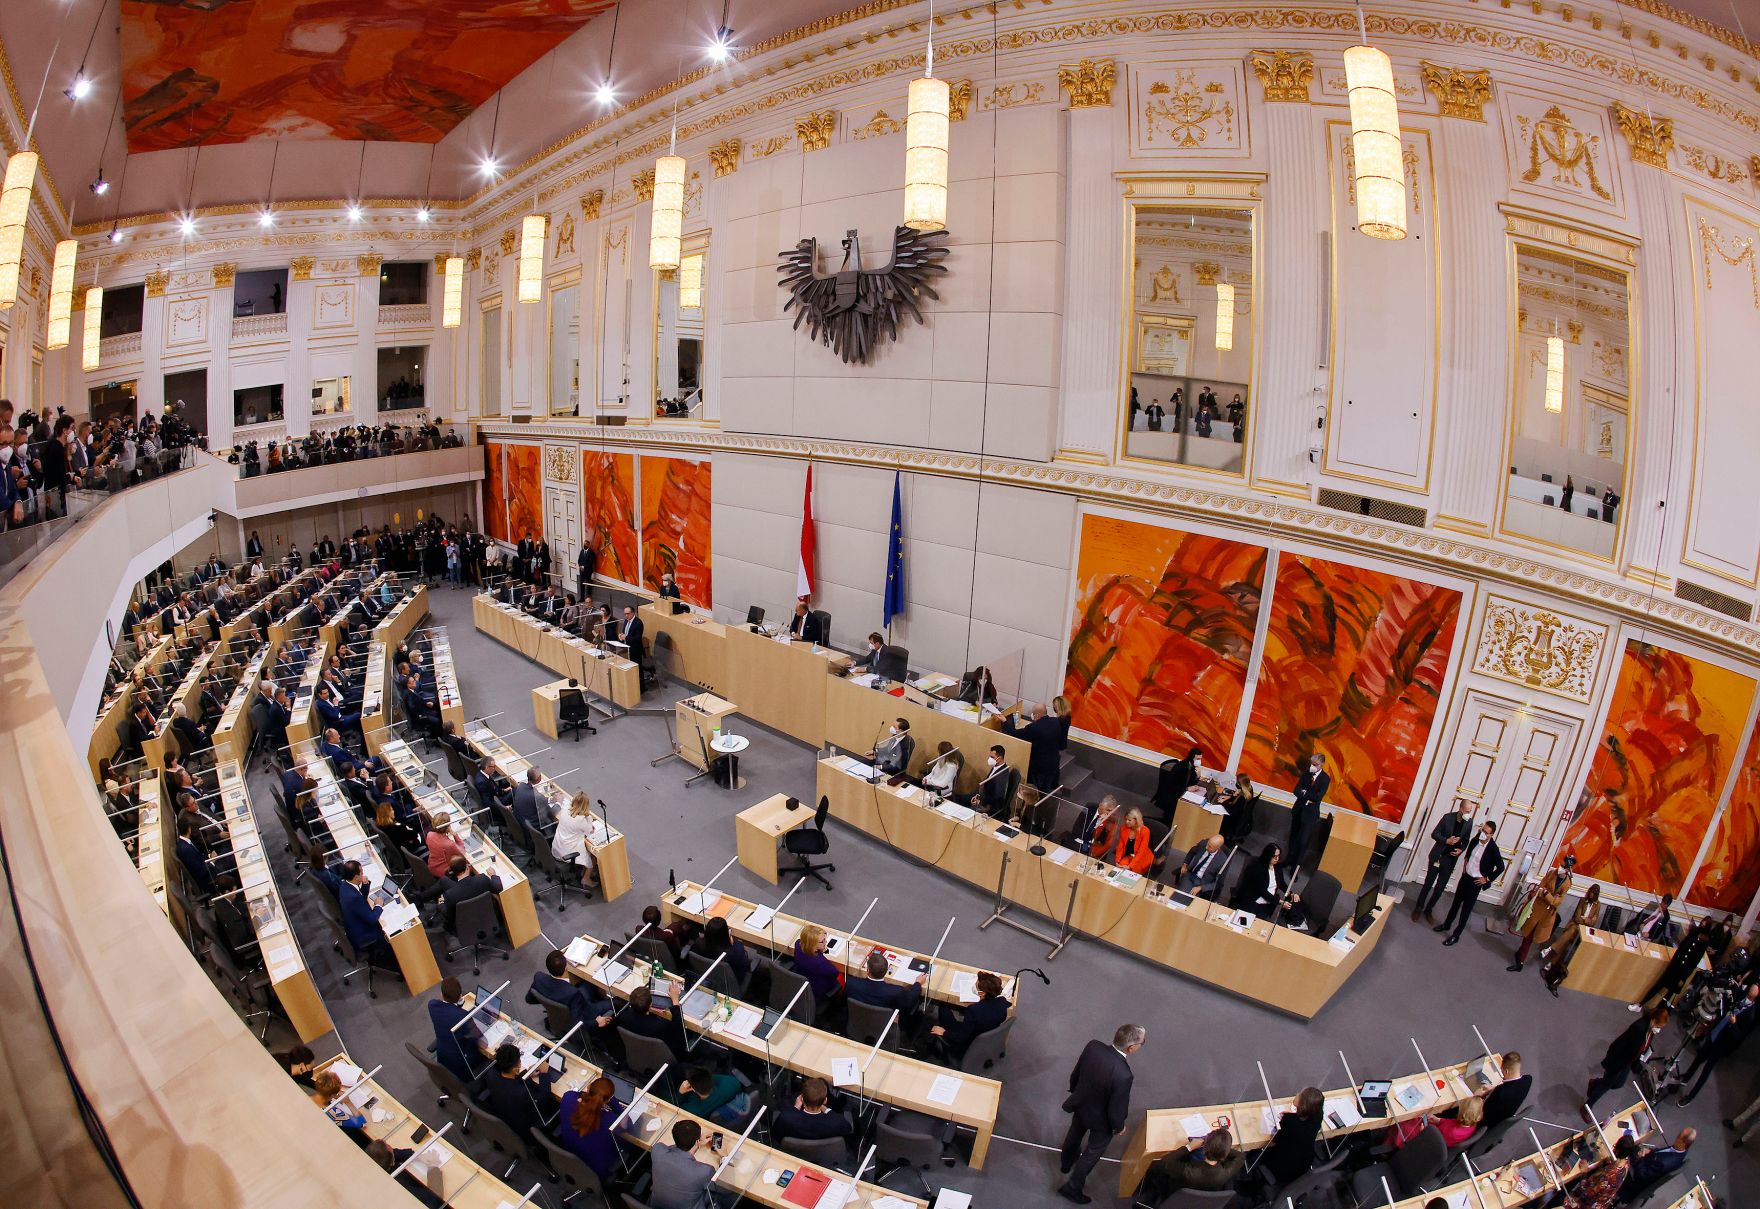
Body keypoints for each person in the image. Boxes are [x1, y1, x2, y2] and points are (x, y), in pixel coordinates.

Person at [1058, 1023, 1144, 1204]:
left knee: (1074, 1135)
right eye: (1142, 1043)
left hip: (1081, 1104)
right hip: (1101, 1121)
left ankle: (1066, 1163)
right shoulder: (1123, 1074)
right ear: (1131, 1047)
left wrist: (1076, 1094)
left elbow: (1076, 1073)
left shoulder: (1093, 1046)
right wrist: (1119, 1126)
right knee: (1092, 1153)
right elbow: (1117, 1107)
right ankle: (1072, 1188)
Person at [1675, 982, 1758, 1106]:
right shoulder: (1741, 997)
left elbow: (1739, 1036)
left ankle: (1690, 1097)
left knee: (1705, 1071)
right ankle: (1685, 1078)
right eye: (1751, 987)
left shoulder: (1750, 1015)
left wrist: (1734, 1024)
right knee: (1698, 1059)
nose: (1751, 989)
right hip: (1715, 1033)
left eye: (1754, 989)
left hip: (1722, 1044)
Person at [1584, 1007, 1668, 1111]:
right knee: (1606, 1085)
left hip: (1628, 1062)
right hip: (1618, 1061)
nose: (1658, 1029)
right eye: (1658, 1026)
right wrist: (1611, 1063)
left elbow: (1642, 1046)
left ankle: (1595, 1083)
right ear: (1654, 1020)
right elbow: (1618, 1045)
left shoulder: (1650, 1031)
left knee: (1618, 1084)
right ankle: (1587, 1107)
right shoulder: (1639, 1028)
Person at [1438, 820, 1505, 946]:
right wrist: (1465, 864)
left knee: (1465, 910)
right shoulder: (1475, 839)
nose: (1483, 833)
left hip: (1475, 882)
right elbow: (1468, 853)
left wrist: (1487, 879)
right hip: (1465, 877)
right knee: (1455, 904)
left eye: (1486, 832)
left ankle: (1456, 935)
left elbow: (1501, 867)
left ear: (1491, 835)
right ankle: (1446, 925)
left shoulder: (1493, 848)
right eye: (1482, 830)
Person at [480, 1041, 559, 1141]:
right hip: (527, 1127)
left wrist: (527, 1074)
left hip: (508, 1115)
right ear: (514, 1068)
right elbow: (543, 1097)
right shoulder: (521, 1093)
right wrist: (544, 1074)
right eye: (519, 1061)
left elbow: (511, 1080)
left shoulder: (491, 1074)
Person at [1140, 1127, 1243, 1202]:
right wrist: (1221, 1147)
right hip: (1202, 1200)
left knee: (1154, 1168)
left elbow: (1164, 1163)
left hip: (1175, 1196)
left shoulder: (1189, 1171)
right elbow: (1241, 1157)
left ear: (1205, 1147)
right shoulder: (1225, 1172)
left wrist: (1189, 1147)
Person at [1413, 799, 1474, 923]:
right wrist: (1447, 841)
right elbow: (1434, 834)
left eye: (1470, 812)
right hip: (1438, 856)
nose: (1469, 814)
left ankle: (1428, 910)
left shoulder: (1469, 822)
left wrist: (1461, 850)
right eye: (1467, 811)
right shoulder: (1447, 818)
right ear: (1461, 809)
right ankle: (1418, 908)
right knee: (1428, 884)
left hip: (1450, 860)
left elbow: (1466, 840)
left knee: (1440, 888)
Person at [930, 970, 1009, 1064]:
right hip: (985, 1036)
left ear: (982, 993)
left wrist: (944, 1032)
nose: (974, 986)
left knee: (943, 1006)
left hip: (968, 1043)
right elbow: (1000, 1016)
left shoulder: (973, 1010)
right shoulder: (1003, 1002)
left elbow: (962, 1037)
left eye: (976, 986)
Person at [557, 1076, 624, 1182]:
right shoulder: (611, 1121)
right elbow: (627, 1124)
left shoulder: (568, 1097)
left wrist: (592, 1095)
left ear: (588, 1088)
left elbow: (578, 1096)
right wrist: (612, 1101)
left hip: (569, 1154)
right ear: (606, 1100)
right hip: (595, 1169)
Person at [1258, 1086, 1325, 1189]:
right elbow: (1303, 1123)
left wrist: (1286, 1120)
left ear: (1303, 1104)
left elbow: (1277, 1139)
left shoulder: (1290, 1122)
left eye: (1300, 1095)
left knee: (1257, 1155)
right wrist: (1293, 1116)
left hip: (1283, 1167)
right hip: (1303, 1165)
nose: (1297, 1094)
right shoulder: (1318, 1115)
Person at [1542, 883, 1602, 996]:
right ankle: (1551, 963)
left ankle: (1550, 949)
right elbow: (1577, 917)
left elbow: (1594, 920)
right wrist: (1586, 919)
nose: (1590, 895)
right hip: (1575, 925)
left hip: (1585, 929)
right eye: (1590, 892)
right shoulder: (1582, 900)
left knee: (1568, 939)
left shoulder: (1598, 905)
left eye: (1593, 894)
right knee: (1568, 936)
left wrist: (1586, 920)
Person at [1003, 698, 1073, 794]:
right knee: (1046, 788)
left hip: (1039, 766)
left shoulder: (1034, 728)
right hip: (1053, 762)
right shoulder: (1056, 722)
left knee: (1037, 790)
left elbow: (1015, 734)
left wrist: (1004, 721)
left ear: (1037, 714)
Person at [650, 1119, 721, 1209]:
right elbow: (716, 1189)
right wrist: (725, 1157)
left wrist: (688, 1142)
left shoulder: (657, 1151)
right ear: (697, 1142)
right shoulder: (705, 1171)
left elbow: (667, 1147)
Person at [1510, 866, 1570, 972]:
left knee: (1530, 937)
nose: (1560, 866)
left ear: (1567, 869)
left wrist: (1547, 895)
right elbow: (1541, 889)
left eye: (1564, 865)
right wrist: (1550, 896)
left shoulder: (1567, 883)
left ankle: (1520, 962)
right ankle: (1520, 957)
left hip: (1546, 916)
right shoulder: (1551, 873)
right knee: (1527, 935)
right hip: (1537, 909)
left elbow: (1557, 902)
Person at [1561, 1135, 1637, 1209]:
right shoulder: (1626, 1163)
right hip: (1598, 1196)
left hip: (1585, 1203)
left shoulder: (1607, 1178)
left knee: (1562, 1193)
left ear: (1617, 1151)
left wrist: (1584, 1172)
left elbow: (1585, 1192)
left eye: (1615, 1146)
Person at [773, 1077, 854, 1145]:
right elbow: (848, 1129)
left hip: (793, 1153)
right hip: (826, 1157)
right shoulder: (837, 1122)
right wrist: (825, 1108)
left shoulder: (786, 1118)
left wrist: (796, 1107)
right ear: (825, 1101)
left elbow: (776, 1132)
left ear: (801, 1099)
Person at [428, 977, 481, 1081]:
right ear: (460, 995)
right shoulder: (463, 1018)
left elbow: (449, 1016)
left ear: (441, 994)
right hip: (463, 1065)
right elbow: (480, 1038)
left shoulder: (432, 1005)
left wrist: (457, 1006)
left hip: (443, 1058)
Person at [1384, 1096, 1481, 1150]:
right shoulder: (1471, 1123)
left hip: (1429, 1141)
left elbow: (1435, 1143)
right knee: (1417, 1118)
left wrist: (1423, 1132)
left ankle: (1388, 1146)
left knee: (1405, 1126)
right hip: (1434, 1131)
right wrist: (1438, 1120)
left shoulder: (1453, 1132)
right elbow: (1451, 1123)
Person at [846, 949, 924, 1016]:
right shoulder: (896, 992)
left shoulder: (851, 983)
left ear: (868, 971)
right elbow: (911, 999)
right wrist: (918, 983)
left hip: (857, 1023)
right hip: (883, 1027)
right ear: (886, 971)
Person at [434, 856, 504, 931]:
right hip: (487, 917)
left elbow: (449, 915)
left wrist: (441, 903)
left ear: (453, 872)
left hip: (467, 927)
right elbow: (498, 888)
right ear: (467, 867)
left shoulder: (450, 894)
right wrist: (493, 875)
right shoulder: (482, 879)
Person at [552, 791, 602, 888]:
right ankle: (586, 878)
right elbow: (589, 830)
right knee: (591, 858)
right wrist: (589, 817)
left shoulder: (565, 810)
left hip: (557, 847)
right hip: (567, 852)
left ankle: (583, 872)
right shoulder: (581, 820)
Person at [1288, 753, 1329, 862]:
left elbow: (1318, 797)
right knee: (1293, 836)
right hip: (1299, 809)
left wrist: (1305, 793)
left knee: (1303, 842)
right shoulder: (1306, 773)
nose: (1313, 766)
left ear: (1322, 764)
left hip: (1310, 814)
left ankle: (1295, 867)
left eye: (1316, 764)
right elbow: (1296, 790)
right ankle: (1288, 860)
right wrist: (1306, 794)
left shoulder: (1325, 779)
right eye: (1312, 763)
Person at [1231, 842, 1290, 918]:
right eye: (1274, 856)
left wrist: (1291, 893)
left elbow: (1281, 883)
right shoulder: (1257, 868)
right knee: (1245, 923)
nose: (1277, 859)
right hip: (1253, 902)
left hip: (1268, 903)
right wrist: (1280, 902)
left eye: (1278, 856)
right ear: (1267, 856)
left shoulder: (1277, 867)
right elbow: (1262, 891)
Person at [793, 923, 845, 1007]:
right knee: (843, 976)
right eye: (822, 941)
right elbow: (834, 973)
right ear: (813, 945)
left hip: (804, 978)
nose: (826, 942)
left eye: (825, 939)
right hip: (818, 988)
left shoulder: (798, 944)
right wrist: (821, 953)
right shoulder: (820, 963)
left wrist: (819, 950)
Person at [1478, 1052, 1532, 1132]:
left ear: (1506, 1071)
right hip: (1502, 1118)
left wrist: (1478, 1098)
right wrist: (1494, 1088)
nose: (1502, 1073)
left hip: (1485, 1124)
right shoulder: (1528, 1080)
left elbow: (1482, 1112)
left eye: (1502, 1070)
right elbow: (1509, 1087)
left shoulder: (1500, 1094)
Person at [679, 1064, 749, 1125]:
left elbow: (675, 1108)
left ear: (692, 1088)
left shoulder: (692, 1110)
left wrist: (680, 1092)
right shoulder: (733, 1083)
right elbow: (714, 1078)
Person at [694, 916, 752, 988]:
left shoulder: (698, 943)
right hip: (731, 985)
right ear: (726, 934)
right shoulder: (734, 952)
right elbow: (745, 966)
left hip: (707, 979)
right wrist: (734, 943)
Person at [1094, 806, 1154, 876]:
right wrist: (1117, 862)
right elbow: (1120, 847)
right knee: (1120, 867)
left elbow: (1141, 852)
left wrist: (1130, 866)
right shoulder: (1124, 828)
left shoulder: (1145, 831)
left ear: (1136, 820)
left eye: (1129, 820)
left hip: (1142, 859)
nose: (1126, 822)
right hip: (1129, 856)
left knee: (1129, 874)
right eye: (1125, 819)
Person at [1627, 1127, 1696, 1186]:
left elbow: (1642, 1176)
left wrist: (1640, 1158)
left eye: (1679, 1136)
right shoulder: (1681, 1149)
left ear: (1683, 1143)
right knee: (1634, 1145)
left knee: (1627, 1145)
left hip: (1637, 1175)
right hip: (1649, 1162)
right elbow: (1662, 1153)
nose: (1676, 1137)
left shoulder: (1664, 1163)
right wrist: (1650, 1151)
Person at [1151, 747, 1203, 824]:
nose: (1199, 761)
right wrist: (1186, 789)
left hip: (1180, 792)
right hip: (1171, 794)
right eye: (1198, 759)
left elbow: (1191, 782)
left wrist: (1198, 776)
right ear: (1192, 757)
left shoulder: (1192, 767)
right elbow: (1170, 785)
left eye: (1200, 759)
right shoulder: (1180, 767)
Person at [971, 745, 1018, 819]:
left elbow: (997, 797)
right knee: (961, 798)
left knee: (966, 807)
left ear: (999, 758)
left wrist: (981, 801)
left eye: (992, 757)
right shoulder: (996, 767)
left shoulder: (1002, 776)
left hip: (990, 807)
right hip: (984, 797)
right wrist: (977, 796)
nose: (989, 759)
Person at [1217, 777, 1258, 848]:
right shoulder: (1249, 790)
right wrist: (1232, 796)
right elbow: (1236, 805)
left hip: (1233, 823)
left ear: (1239, 785)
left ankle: (1218, 837)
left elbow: (1230, 810)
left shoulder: (1242, 798)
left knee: (1219, 817)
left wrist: (1223, 802)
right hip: (1240, 820)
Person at [424, 813, 467, 878]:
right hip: (444, 873)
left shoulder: (429, 835)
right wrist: (455, 835)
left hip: (432, 867)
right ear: (447, 827)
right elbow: (462, 852)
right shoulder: (449, 844)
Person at [511, 767, 550, 836]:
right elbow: (545, 815)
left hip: (519, 821)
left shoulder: (520, 786)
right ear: (539, 778)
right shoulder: (537, 796)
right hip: (533, 827)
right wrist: (558, 802)